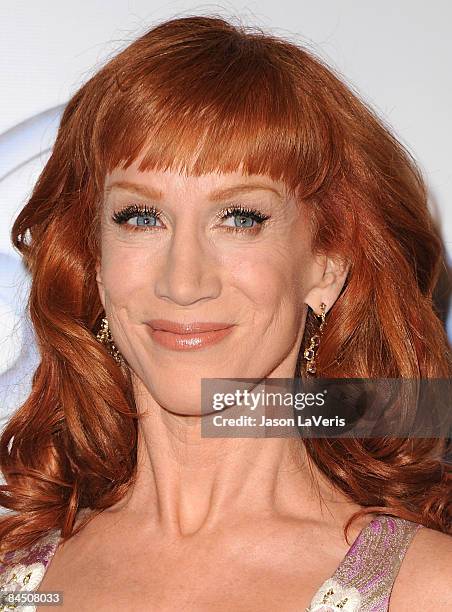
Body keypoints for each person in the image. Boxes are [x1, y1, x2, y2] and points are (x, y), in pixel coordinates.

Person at [0, 14, 451, 612]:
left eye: (240, 218)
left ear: (326, 265)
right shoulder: (18, 578)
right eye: (140, 217)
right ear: (94, 261)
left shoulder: (424, 590)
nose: (183, 282)